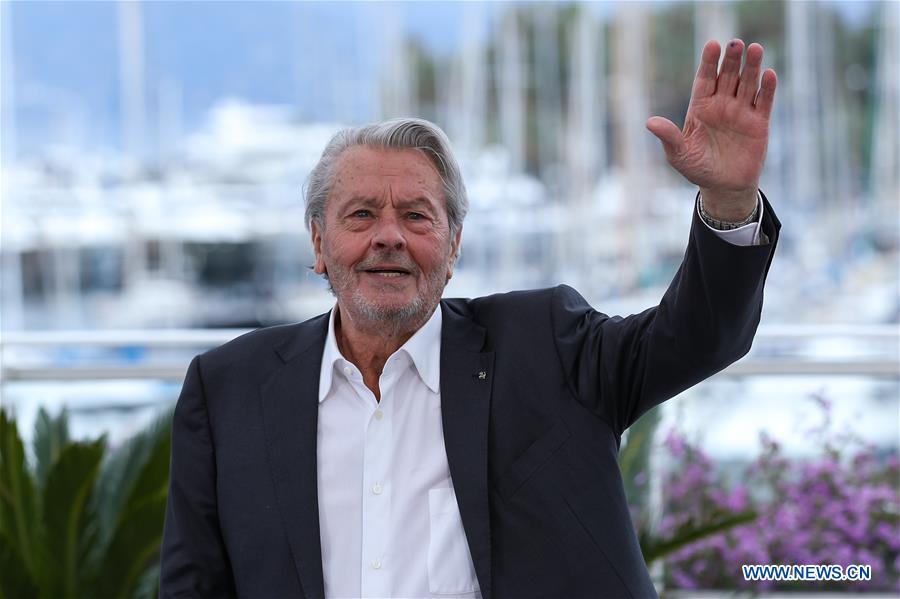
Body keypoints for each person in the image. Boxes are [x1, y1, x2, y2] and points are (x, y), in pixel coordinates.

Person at [160, 39, 780, 598]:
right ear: (318, 244)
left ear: (454, 246)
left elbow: (699, 336)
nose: (389, 237)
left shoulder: (547, 347)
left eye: (417, 216)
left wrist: (728, 203)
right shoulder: (227, 391)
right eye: (359, 216)